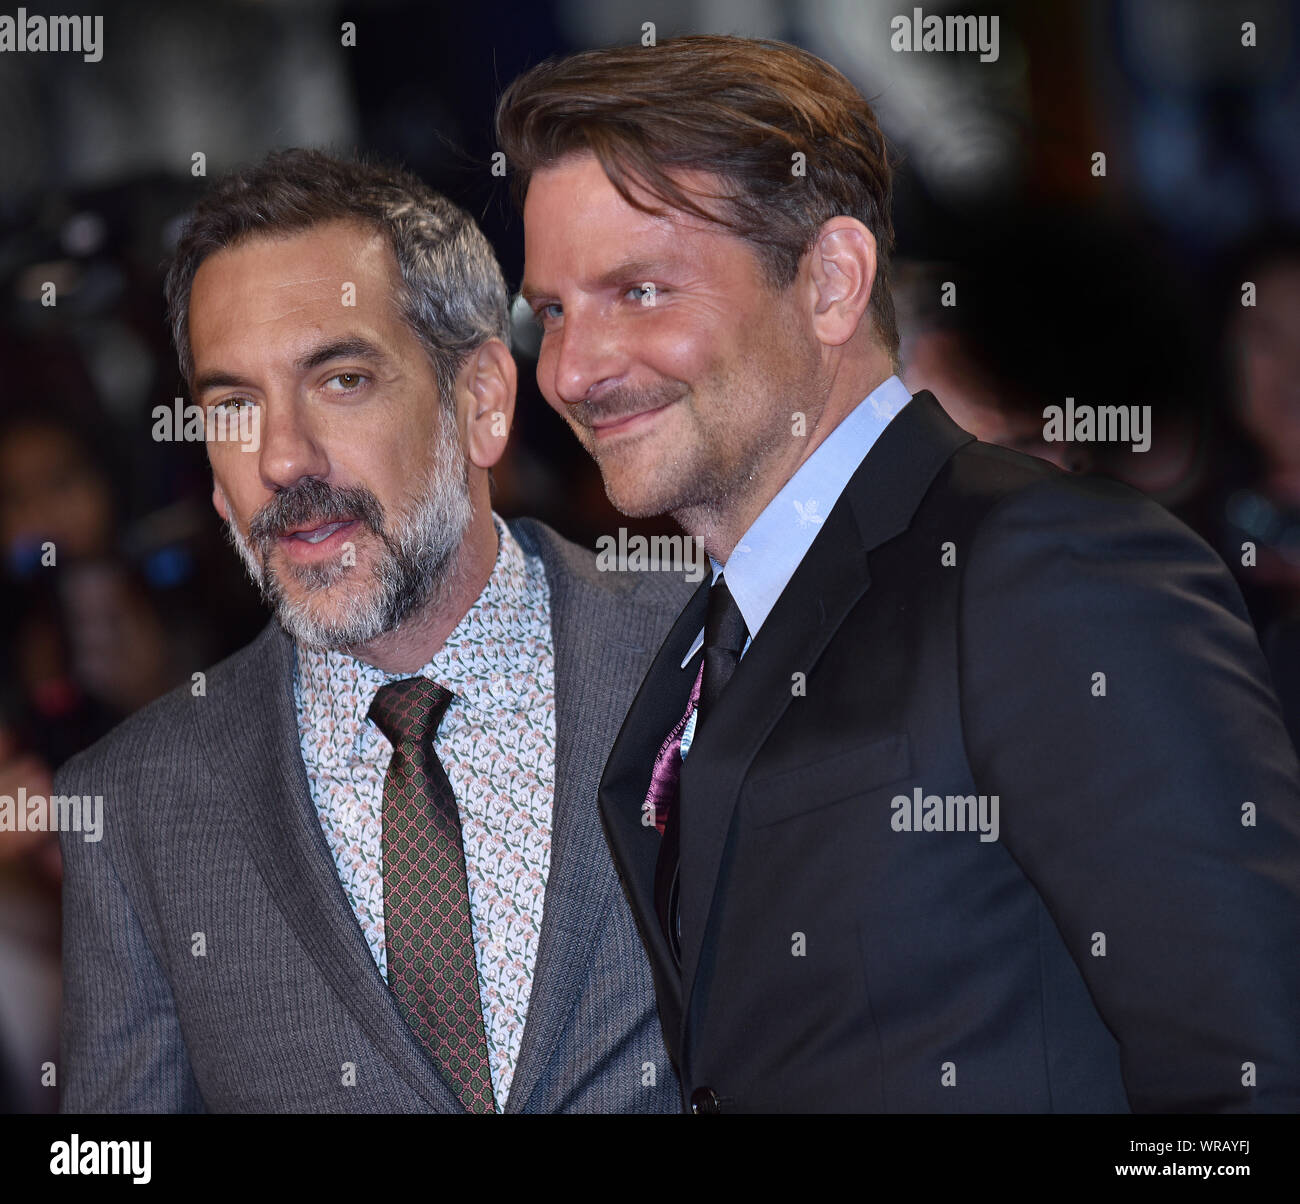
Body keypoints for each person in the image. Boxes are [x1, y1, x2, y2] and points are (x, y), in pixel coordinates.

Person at [497, 34, 1300, 1113]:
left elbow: (1252, 1082)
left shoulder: (1044, 573)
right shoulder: (696, 647)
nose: (572, 368)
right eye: (550, 310)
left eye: (637, 291)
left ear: (830, 281)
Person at [54, 149, 687, 1113]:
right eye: (233, 405)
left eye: (341, 380)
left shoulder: (706, 659)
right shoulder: (135, 804)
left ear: (480, 400)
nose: (281, 458)